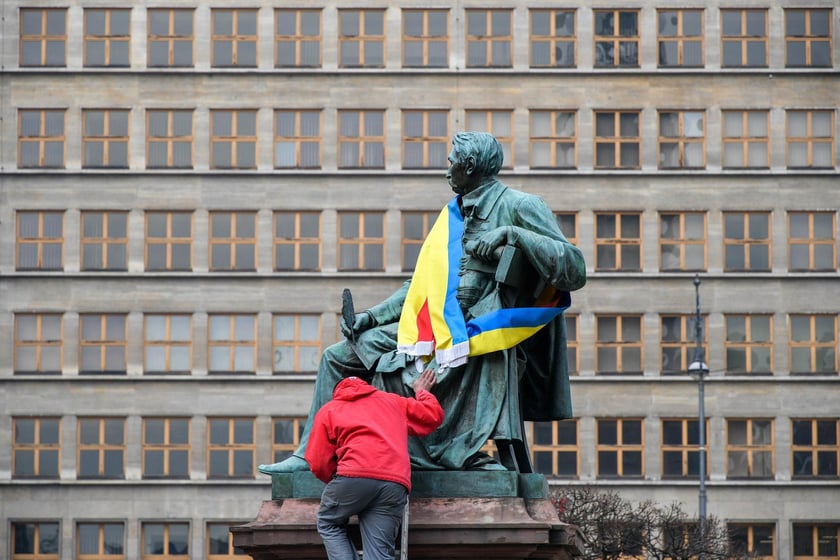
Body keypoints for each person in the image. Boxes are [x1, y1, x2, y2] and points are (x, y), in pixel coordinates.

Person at [259, 131, 586, 474]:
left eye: (451, 162)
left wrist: (515, 234)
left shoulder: (520, 205)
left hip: (482, 328)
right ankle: (308, 457)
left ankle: (454, 453)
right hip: (432, 326)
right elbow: (419, 286)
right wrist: (370, 317)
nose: (447, 170)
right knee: (336, 357)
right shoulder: (451, 217)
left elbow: (574, 269)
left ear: (470, 165)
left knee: (448, 357)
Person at [306, 369, 444, 560]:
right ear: (367, 387)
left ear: (337, 391)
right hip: (394, 483)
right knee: (379, 552)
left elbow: (317, 461)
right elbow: (431, 416)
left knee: (328, 522)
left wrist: (336, 479)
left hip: (352, 477)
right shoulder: (392, 401)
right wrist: (422, 391)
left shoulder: (330, 410)